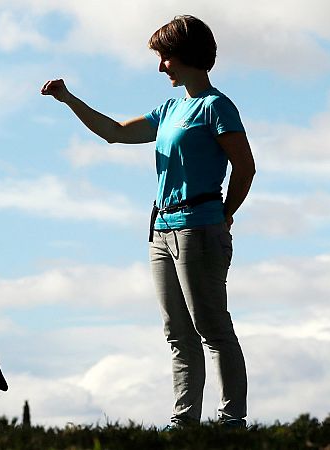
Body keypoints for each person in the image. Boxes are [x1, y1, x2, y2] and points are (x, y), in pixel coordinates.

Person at [41, 15, 254, 428]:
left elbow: (245, 168)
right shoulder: (171, 108)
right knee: (177, 333)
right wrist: (70, 100)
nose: (160, 67)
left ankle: (231, 421)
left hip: (200, 227)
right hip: (161, 231)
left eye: (165, 57)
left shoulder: (217, 107)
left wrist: (224, 216)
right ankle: (184, 422)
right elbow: (115, 132)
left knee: (212, 327)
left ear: (185, 55)